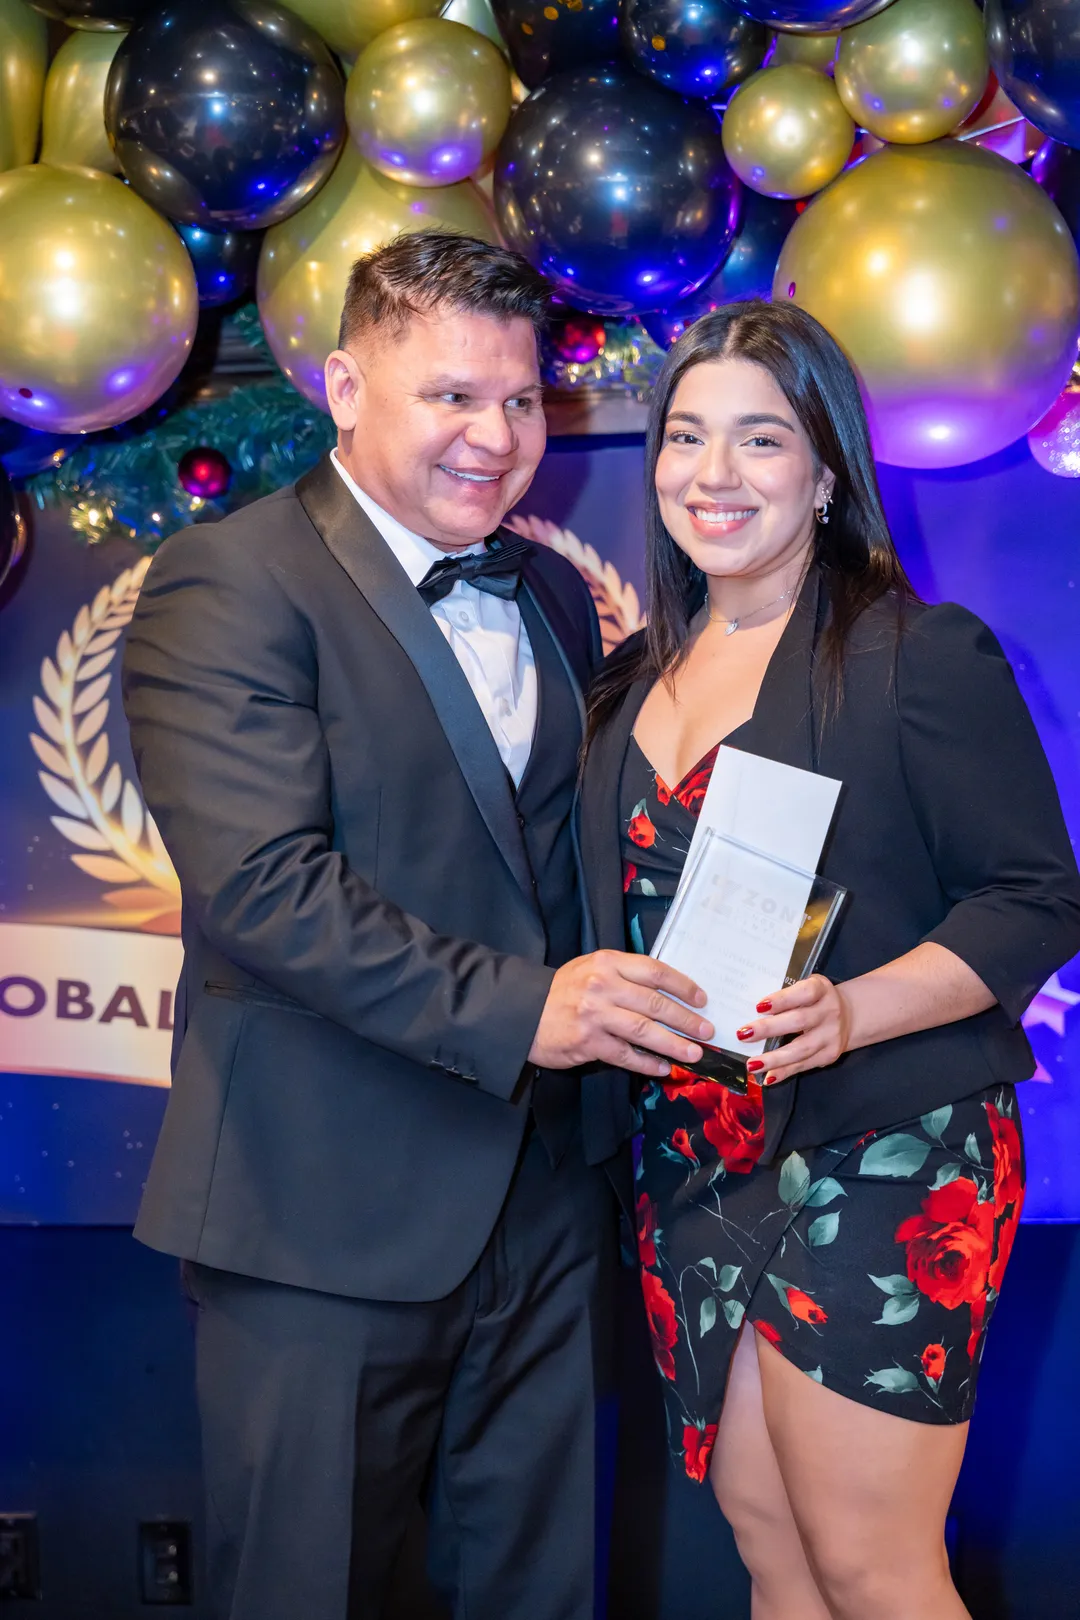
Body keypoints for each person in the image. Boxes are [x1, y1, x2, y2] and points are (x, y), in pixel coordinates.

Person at [121, 231, 712, 1620]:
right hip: (322, 1214)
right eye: (449, 397)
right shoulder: (231, 582)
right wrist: (535, 1011)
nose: (494, 437)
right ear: (343, 386)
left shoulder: (556, 590)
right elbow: (266, 889)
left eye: (519, 402)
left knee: (543, 1590)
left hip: (551, 1203)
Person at [579, 300, 1080, 1620]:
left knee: (873, 1563)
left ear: (824, 467)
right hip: (691, 1162)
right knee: (771, 1541)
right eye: (687, 438)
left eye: (759, 439)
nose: (715, 475)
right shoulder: (630, 680)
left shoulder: (916, 654)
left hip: (885, 1150)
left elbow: (1033, 899)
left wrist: (853, 1009)